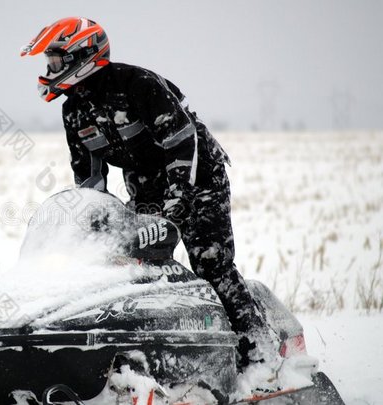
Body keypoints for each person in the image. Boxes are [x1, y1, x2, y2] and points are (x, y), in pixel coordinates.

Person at [21, 17, 281, 378]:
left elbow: (181, 138)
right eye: (48, 61)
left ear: (83, 54)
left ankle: (260, 354)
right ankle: (157, 357)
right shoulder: (73, 109)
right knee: (135, 263)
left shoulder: (136, 84)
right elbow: (90, 177)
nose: (50, 68)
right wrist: (95, 221)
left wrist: (178, 199)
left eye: (55, 59)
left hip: (198, 176)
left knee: (211, 264)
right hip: (145, 188)